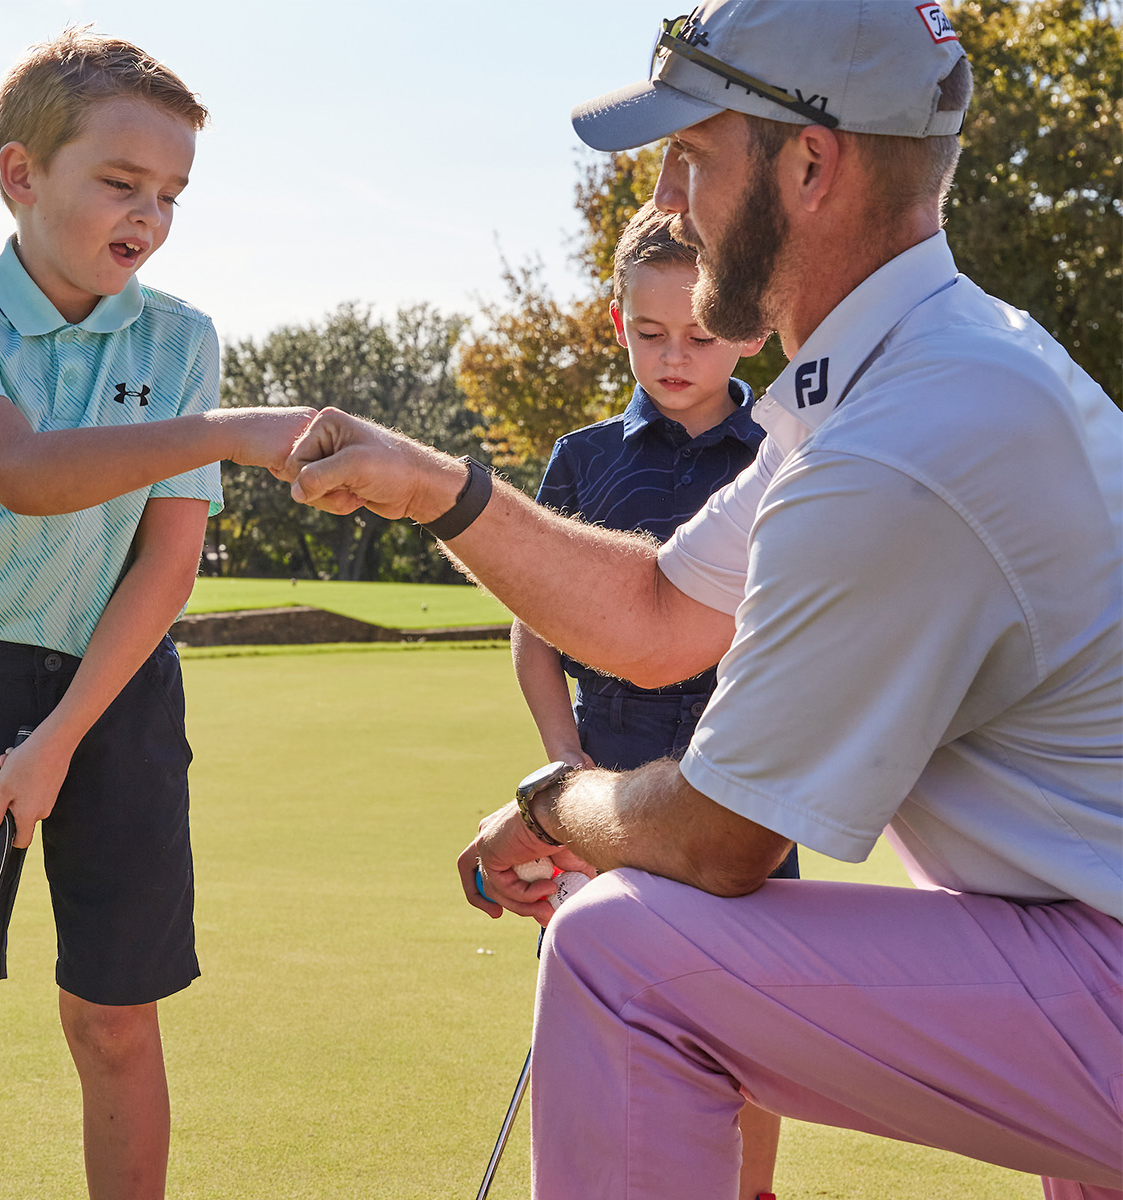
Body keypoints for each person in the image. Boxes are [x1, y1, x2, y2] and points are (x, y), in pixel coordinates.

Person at [279, 2, 1122, 1196]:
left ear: (810, 166)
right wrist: (435, 490)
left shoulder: (898, 442)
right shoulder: (925, 369)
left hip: (1102, 969)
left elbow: (720, 842)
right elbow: (659, 614)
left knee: (622, 954)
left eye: (692, 157)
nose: (669, 202)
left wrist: (551, 805)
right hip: (1083, 945)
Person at [0, 29, 312, 1200]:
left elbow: (167, 564)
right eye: (122, 183)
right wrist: (228, 432)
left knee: (114, 1020)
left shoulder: (181, 338)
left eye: (171, 194)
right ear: (21, 174)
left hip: (119, 689)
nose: (149, 217)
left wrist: (62, 734)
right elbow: (21, 472)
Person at [509, 200, 794, 1200]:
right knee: (595, 1015)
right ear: (616, 321)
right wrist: (564, 763)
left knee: (752, 1036)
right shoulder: (583, 460)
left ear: (749, 328)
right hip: (606, 791)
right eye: (649, 332)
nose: (674, 357)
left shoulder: (786, 451)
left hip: (745, 790)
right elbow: (535, 636)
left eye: (700, 335)